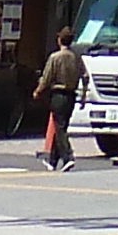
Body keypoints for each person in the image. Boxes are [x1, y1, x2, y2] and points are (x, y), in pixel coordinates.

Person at [32, 32, 81, 171]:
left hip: (58, 94)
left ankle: (68, 157)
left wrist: (38, 90)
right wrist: (83, 95)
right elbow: (85, 75)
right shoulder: (76, 57)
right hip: (72, 94)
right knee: (61, 126)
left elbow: (46, 77)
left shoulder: (55, 57)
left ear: (60, 40)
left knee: (59, 127)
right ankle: (53, 160)